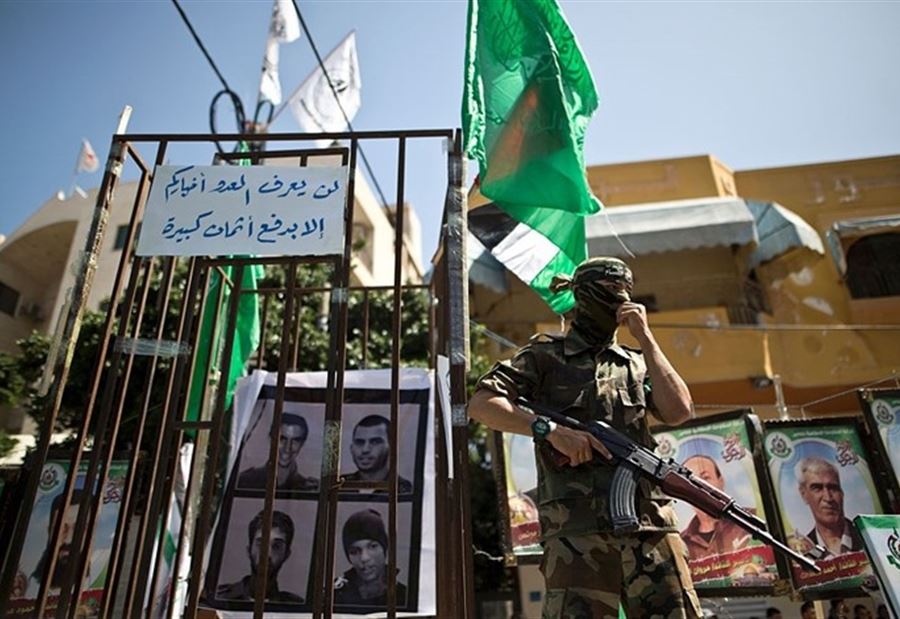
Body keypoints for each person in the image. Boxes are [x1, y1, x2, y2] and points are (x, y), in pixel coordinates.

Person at [469, 257, 702, 618]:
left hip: (650, 525)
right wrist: (550, 431)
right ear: (583, 295)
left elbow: (679, 410)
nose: (621, 298)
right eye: (611, 290)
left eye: (626, 290)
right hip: (576, 534)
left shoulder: (637, 362)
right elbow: (482, 404)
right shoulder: (545, 356)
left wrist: (646, 338)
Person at [13, 489, 86, 599]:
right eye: (61, 528)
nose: (68, 539)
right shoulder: (26, 584)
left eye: (78, 529)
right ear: (49, 531)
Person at [217, 509, 303, 603]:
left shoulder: (295, 606)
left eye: (277, 546)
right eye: (261, 544)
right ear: (249, 550)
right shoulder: (220, 597)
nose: (267, 554)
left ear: (286, 555)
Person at [680, 455, 752, 559]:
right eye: (690, 481)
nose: (699, 486)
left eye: (706, 478)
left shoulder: (749, 521)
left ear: (721, 482)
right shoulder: (681, 542)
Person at [334, 508, 407, 606]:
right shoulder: (333, 596)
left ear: (384, 548)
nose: (364, 558)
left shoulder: (405, 598)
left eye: (372, 547)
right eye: (354, 551)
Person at [796, 457, 863, 557]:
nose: (828, 498)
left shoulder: (867, 538)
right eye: (817, 488)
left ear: (842, 493)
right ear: (803, 494)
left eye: (833, 488)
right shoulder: (803, 554)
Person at [238, 413, 318, 492]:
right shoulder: (244, 481)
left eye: (295, 441)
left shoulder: (310, 489)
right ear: (271, 439)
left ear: (302, 444)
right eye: (282, 439)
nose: (287, 448)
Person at [343, 415, 413, 493]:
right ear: (351, 448)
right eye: (360, 442)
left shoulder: (403, 490)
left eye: (375, 442)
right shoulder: (339, 485)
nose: (365, 450)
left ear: (392, 447)